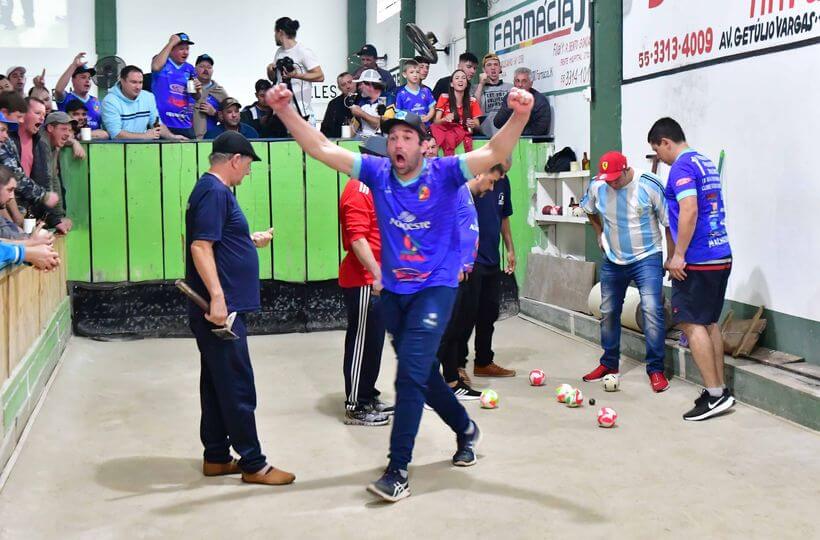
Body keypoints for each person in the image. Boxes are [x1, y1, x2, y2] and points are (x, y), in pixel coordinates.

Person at [266, 82, 533, 503]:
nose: (398, 143)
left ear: (425, 145)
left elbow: (493, 155)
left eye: (407, 136)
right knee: (423, 375)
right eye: (392, 137)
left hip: (435, 288)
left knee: (408, 376)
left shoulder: (445, 173)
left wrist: (519, 116)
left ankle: (398, 469)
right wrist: (284, 111)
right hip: (394, 292)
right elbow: (321, 148)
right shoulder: (376, 174)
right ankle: (465, 428)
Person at [186, 130, 295, 486]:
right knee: (236, 384)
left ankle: (216, 456)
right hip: (222, 309)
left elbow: (217, 240)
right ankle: (254, 463)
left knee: (217, 383)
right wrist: (218, 297)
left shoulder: (211, 191)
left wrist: (247, 241)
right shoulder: (215, 192)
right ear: (235, 160)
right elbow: (201, 247)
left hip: (223, 304)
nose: (247, 173)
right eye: (247, 165)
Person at [648, 117, 735, 421]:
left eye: (659, 152)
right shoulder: (704, 162)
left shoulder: (682, 167)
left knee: (689, 323)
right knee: (709, 322)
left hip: (698, 258)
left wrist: (678, 256)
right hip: (720, 253)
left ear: (666, 142)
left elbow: (689, 209)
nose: (661, 159)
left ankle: (714, 395)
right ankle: (720, 390)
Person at [579, 151, 671, 393]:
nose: (611, 183)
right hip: (613, 257)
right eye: (607, 178)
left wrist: (672, 256)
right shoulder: (598, 186)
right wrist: (599, 233)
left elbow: (668, 222)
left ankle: (656, 369)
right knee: (608, 310)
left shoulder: (649, 185)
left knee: (651, 310)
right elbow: (588, 208)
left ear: (626, 169)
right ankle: (609, 363)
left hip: (647, 256)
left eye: (615, 178)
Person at [437, 165, 505, 400]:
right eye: (491, 181)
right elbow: (441, 229)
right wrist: (453, 264)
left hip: (464, 273)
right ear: (479, 174)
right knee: (445, 332)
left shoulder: (468, 196)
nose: (492, 187)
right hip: (451, 273)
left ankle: (452, 382)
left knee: (456, 329)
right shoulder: (456, 192)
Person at [338, 135, 394, 426]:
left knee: (373, 342)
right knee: (361, 341)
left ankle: (368, 395)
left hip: (375, 278)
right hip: (363, 279)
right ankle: (355, 405)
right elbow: (357, 239)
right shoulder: (358, 189)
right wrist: (375, 273)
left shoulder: (373, 189)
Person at [458, 158, 517, 380]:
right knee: (465, 315)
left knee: (489, 312)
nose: (498, 180)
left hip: (492, 256)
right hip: (472, 259)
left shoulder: (503, 182)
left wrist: (510, 248)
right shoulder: (469, 182)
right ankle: (457, 365)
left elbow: (504, 217)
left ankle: (483, 361)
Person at [1, 97, 65, 231]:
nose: (42, 118)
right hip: (10, 211)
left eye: (44, 114)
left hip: (27, 213)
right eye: (37, 113)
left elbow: (47, 182)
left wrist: (55, 219)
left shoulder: (41, 145)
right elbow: (15, 178)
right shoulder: (7, 141)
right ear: (23, 115)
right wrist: (44, 196)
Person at [101, 65, 185, 141]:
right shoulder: (110, 101)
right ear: (122, 81)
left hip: (143, 148)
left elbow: (156, 124)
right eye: (133, 82)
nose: (138, 87)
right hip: (116, 150)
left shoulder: (148, 97)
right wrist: (144, 136)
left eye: (140, 82)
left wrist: (172, 137)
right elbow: (116, 134)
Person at [267, 17, 324, 122]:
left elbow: (320, 76)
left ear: (280, 32)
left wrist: (296, 75)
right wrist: (270, 69)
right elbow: (274, 78)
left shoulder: (303, 51)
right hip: (283, 115)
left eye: (275, 33)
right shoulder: (279, 52)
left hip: (302, 115)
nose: (274, 36)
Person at [150, 33, 199, 139]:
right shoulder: (162, 62)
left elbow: (196, 96)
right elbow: (155, 66)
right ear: (171, 49)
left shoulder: (190, 69)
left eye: (187, 49)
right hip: (163, 123)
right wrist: (171, 43)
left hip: (184, 123)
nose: (185, 52)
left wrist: (198, 90)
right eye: (181, 49)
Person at [431, 69, 481, 155]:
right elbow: (436, 121)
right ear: (451, 84)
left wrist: (473, 123)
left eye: (463, 78)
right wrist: (445, 119)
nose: (460, 80)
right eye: (457, 78)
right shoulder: (443, 97)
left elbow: (477, 123)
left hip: (462, 134)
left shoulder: (472, 101)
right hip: (445, 132)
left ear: (466, 84)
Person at [493, 67, 551, 136]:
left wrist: (515, 131)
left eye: (524, 81)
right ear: (514, 83)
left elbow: (540, 129)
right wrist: (509, 107)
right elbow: (497, 123)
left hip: (531, 143)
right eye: (517, 81)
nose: (520, 85)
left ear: (531, 83)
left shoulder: (540, 101)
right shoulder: (509, 97)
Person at [55, 53, 104, 131]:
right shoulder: (66, 98)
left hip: (94, 141)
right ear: (73, 80)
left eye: (89, 78)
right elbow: (58, 90)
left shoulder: (96, 101)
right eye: (83, 77)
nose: (87, 81)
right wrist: (73, 66)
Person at [474, 54, 512, 136]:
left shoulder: (510, 87)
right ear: (484, 70)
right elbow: (474, 107)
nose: (493, 68)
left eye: (496, 64)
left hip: (506, 135)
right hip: (484, 136)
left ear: (500, 68)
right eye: (489, 65)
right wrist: (481, 84)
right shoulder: (476, 89)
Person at [192, 54, 229, 139]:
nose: (206, 70)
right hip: (185, 138)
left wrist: (214, 113)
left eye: (209, 67)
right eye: (202, 66)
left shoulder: (220, 92)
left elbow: (231, 119)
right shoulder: (187, 86)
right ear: (195, 69)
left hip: (210, 140)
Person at [350, 69, 394, 139]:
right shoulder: (362, 101)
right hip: (363, 142)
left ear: (370, 84)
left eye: (361, 84)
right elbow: (354, 126)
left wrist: (361, 114)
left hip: (381, 144)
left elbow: (383, 125)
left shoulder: (386, 99)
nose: (359, 87)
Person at [320, 72, 355, 138]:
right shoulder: (333, 104)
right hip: (337, 141)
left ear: (355, 82)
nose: (348, 86)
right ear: (339, 88)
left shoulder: (363, 100)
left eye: (350, 82)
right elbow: (325, 128)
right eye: (343, 85)